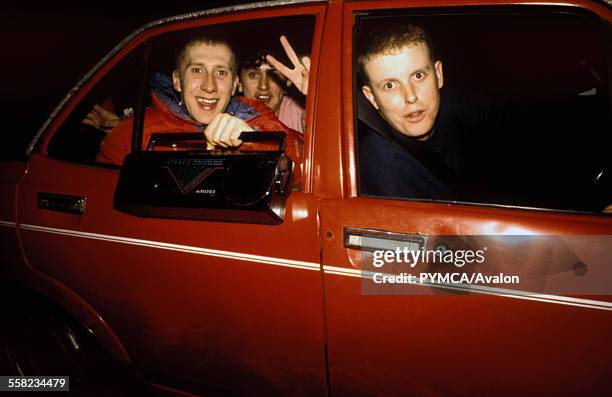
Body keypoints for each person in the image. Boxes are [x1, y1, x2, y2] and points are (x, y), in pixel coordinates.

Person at [96, 35, 302, 176]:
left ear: (234, 85)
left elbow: (304, 166)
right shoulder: (133, 133)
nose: (209, 86)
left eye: (221, 72)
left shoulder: (255, 114)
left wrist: (253, 140)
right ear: (177, 80)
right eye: (197, 70)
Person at [238, 39, 307, 133]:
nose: (263, 86)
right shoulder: (228, 115)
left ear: (288, 81)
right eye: (253, 75)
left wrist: (316, 98)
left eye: (272, 75)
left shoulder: (300, 113)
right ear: (239, 83)